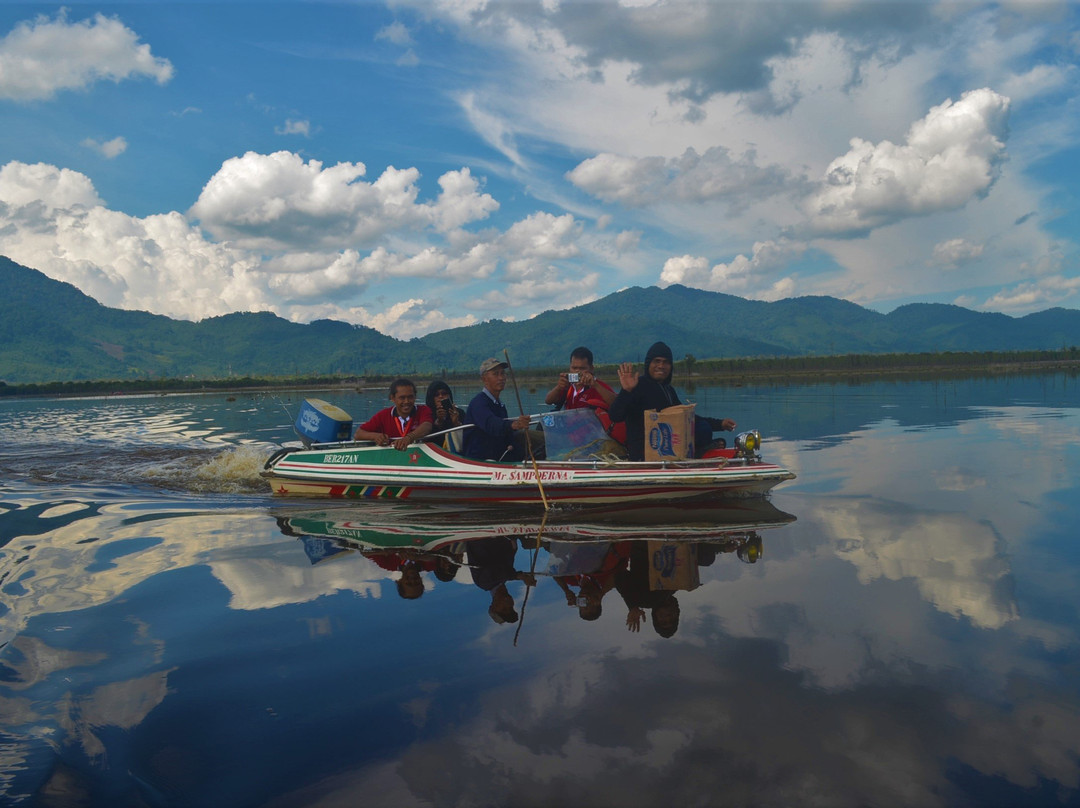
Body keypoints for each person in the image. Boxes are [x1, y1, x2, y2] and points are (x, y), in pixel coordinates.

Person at [609, 341, 735, 461]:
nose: (661, 366)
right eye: (656, 361)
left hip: (668, 447)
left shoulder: (668, 390)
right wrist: (626, 391)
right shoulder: (638, 385)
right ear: (649, 363)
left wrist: (720, 424)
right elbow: (615, 415)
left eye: (666, 362)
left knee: (702, 428)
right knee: (703, 429)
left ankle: (701, 449)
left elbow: (687, 418)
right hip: (645, 452)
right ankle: (701, 450)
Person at [462, 358, 542, 461]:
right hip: (480, 459)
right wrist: (514, 424)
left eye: (503, 373)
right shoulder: (478, 403)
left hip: (499, 454)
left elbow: (504, 431)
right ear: (484, 379)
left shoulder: (500, 404)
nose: (501, 378)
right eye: (495, 374)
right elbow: (491, 424)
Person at [544, 346, 626, 446]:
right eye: (574, 368)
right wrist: (558, 387)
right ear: (570, 367)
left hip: (591, 440)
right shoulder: (567, 386)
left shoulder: (598, 386)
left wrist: (595, 384)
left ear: (591, 368)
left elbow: (617, 404)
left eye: (582, 368)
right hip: (568, 436)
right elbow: (548, 400)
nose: (578, 372)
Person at [354, 378, 433, 450]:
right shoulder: (383, 415)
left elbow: (427, 426)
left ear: (415, 397)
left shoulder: (423, 410)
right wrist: (376, 436)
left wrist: (408, 438)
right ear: (392, 398)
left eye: (410, 397)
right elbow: (358, 434)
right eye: (402, 398)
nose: (406, 401)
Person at [424, 380, 464, 451]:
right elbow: (426, 439)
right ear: (431, 398)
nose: (441, 396)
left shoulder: (459, 413)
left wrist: (456, 424)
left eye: (444, 393)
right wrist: (439, 422)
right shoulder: (426, 414)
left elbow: (467, 436)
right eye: (436, 395)